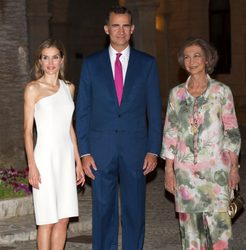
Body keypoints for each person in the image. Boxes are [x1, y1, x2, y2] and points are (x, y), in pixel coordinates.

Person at [75, 6, 162, 250]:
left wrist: (153, 150)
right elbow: (83, 111)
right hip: (100, 151)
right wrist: (84, 153)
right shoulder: (92, 64)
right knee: (103, 211)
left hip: (136, 151)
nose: (120, 31)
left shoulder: (147, 64)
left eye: (125, 26)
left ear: (132, 29)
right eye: (115, 25)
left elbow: (154, 112)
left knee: (134, 211)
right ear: (107, 29)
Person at [161, 37, 241, 250]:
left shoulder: (221, 92)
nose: (192, 61)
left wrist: (234, 168)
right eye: (187, 57)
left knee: (220, 237)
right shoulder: (176, 94)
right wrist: (169, 170)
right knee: (191, 238)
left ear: (207, 59)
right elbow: (170, 133)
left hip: (217, 172)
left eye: (197, 55)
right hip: (185, 176)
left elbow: (232, 132)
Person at [24, 38, 85, 250]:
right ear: (40, 61)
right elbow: (27, 131)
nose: (50, 62)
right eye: (45, 58)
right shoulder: (33, 89)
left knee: (63, 219)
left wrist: (78, 162)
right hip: (44, 158)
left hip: (65, 158)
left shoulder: (69, 88)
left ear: (62, 60)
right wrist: (32, 165)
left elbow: (70, 128)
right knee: (47, 220)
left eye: (55, 57)